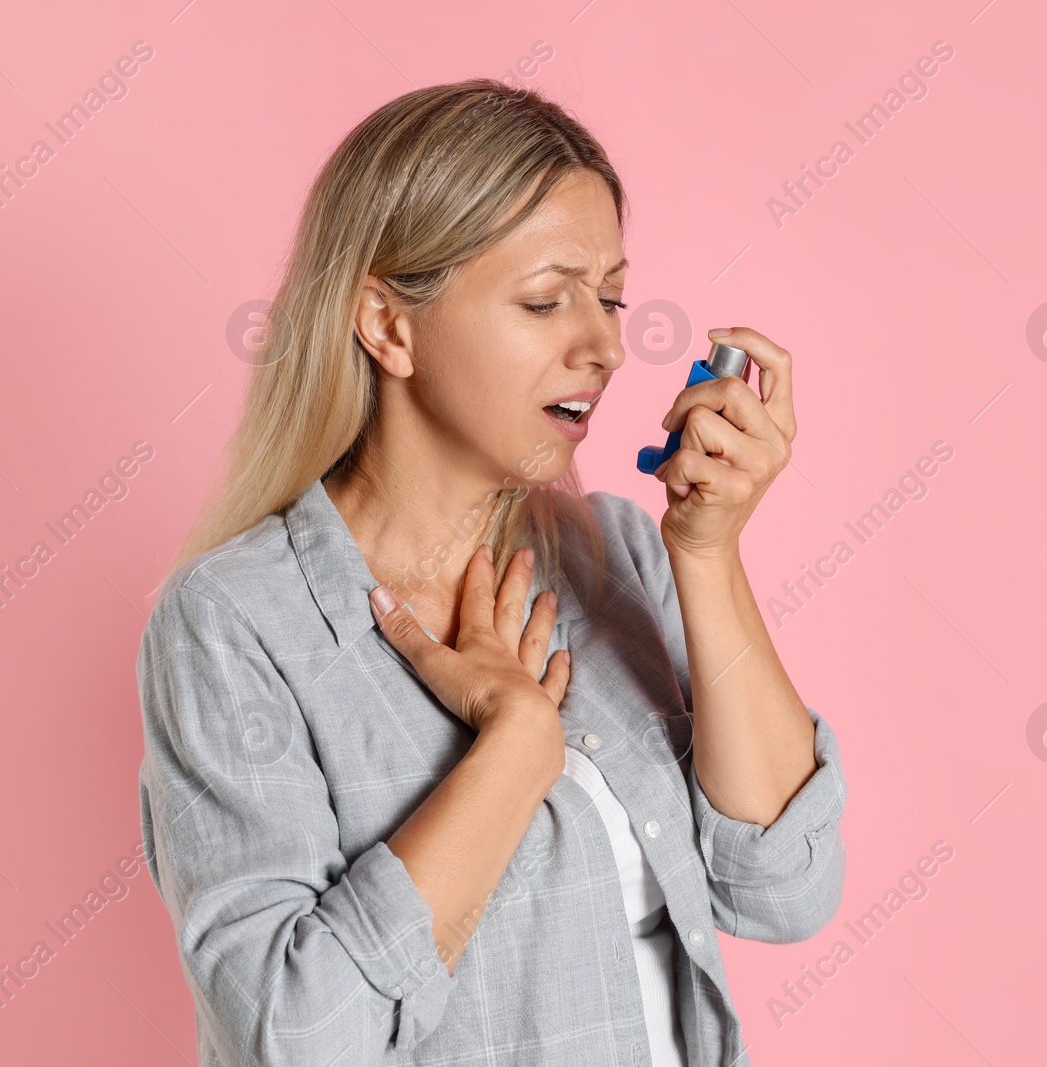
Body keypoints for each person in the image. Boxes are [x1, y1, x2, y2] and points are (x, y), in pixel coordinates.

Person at [135, 77, 846, 1066]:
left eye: (610, 300)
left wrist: (705, 550)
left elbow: (781, 886)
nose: (603, 346)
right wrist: (515, 748)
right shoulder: (234, 623)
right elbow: (293, 1037)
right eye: (546, 299)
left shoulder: (615, 556)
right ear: (387, 325)